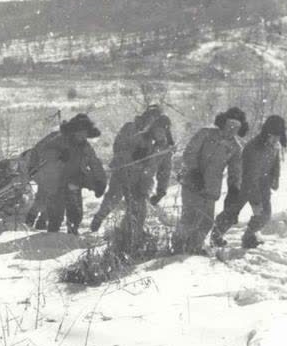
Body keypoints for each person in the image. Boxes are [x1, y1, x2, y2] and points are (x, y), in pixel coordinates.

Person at [173, 107, 249, 255]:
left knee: (206, 222)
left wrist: (234, 189)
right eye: (230, 123)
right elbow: (189, 153)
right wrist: (194, 172)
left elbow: (235, 171)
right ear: (223, 122)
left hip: (211, 188)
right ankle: (176, 247)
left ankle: (193, 248)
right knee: (189, 218)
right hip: (192, 182)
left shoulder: (235, 148)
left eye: (237, 126)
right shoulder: (205, 133)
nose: (232, 128)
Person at [211, 115, 286, 249]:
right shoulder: (254, 147)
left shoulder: (275, 146)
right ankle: (216, 234)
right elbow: (251, 173)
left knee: (265, 215)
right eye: (273, 136)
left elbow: (276, 164)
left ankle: (249, 236)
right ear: (266, 134)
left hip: (264, 185)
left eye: (278, 137)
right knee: (232, 212)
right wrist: (255, 197)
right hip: (244, 185)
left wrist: (276, 179)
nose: (276, 140)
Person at [90, 104, 167, 232]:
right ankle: (99, 218)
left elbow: (164, 168)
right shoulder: (130, 128)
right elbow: (118, 147)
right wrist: (133, 155)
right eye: (150, 117)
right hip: (123, 173)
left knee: (138, 208)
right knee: (113, 199)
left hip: (142, 180)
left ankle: (128, 234)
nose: (152, 121)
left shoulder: (162, 141)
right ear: (145, 116)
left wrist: (161, 190)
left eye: (156, 119)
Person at [26, 114, 106, 234]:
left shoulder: (86, 147)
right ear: (73, 131)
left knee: (76, 212)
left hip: (74, 181)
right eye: (79, 132)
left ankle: (72, 233)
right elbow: (42, 153)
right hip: (55, 180)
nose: (81, 135)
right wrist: (58, 156)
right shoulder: (58, 140)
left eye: (84, 133)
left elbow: (95, 164)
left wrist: (100, 182)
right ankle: (43, 233)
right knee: (54, 212)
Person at [108, 114, 175, 257]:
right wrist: (133, 156)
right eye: (158, 130)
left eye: (164, 131)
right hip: (129, 180)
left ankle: (125, 244)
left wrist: (161, 190)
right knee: (137, 212)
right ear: (153, 129)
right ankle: (128, 246)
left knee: (137, 214)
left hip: (144, 185)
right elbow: (120, 155)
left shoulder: (164, 149)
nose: (160, 134)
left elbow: (165, 171)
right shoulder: (139, 139)